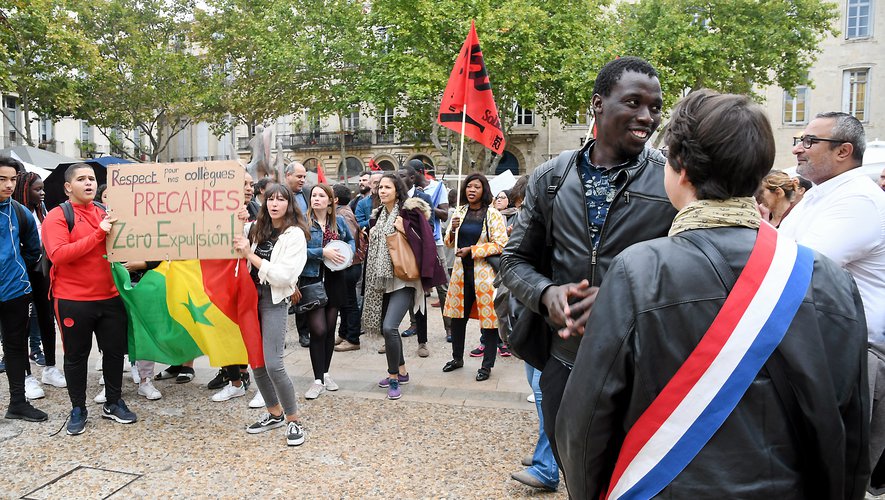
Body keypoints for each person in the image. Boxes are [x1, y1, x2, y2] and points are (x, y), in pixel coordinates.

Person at [556, 89, 870, 499]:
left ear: (680, 168)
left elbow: (586, 420)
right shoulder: (828, 277)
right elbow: (850, 425)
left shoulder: (639, 270)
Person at [502, 56, 677, 464]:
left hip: (644, 366)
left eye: (654, 107)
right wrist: (547, 294)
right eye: (633, 102)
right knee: (575, 471)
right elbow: (513, 261)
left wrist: (624, 298)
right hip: (566, 363)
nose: (647, 117)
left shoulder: (673, 179)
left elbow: (696, 271)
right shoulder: (551, 177)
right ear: (598, 103)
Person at [777, 112, 885, 491]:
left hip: (857, 356)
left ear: (843, 151)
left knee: (835, 477)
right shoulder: (820, 195)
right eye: (799, 139)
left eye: (809, 141)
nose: (796, 148)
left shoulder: (858, 200)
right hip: (824, 350)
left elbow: (796, 265)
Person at [43, 163, 136, 435]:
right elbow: (59, 255)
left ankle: (113, 402)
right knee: (76, 356)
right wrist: (99, 233)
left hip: (109, 297)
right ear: (67, 187)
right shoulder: (58, 216)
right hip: (72, 299)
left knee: (115, 353)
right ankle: (78, 408)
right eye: (81, 179)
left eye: (92, 179)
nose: (89, 183)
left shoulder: (104, 212)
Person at [234, 182, 307, 446]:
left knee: (274, 363)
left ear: (290, 204)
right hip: (249, 299)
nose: (275, 204)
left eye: (281, 200)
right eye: (270, 199)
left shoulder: (295, 235)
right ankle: (274, 413)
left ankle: (294, 420)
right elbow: (232, 235)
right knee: (257, 363)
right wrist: (237, 217)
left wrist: (251, 257)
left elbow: (285, 275)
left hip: (273, 301)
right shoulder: (257, 229)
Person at [362, 174, 444, 399]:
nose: (382, 191)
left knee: (389, 327)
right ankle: (403, 371)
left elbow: (426, 240)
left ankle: (394, 378)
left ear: (398, 190)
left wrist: (405, 229)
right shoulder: (377, 215)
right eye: (380, 187)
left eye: (388, 187)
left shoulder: (408, 212)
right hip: (382, 279)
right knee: (388, 330)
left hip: (405, 278)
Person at [442, 173, 508, 382]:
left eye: (476, 187)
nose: (471, 190)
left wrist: (473, 250)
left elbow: (501, 244)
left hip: (484, 275)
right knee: (457, 317)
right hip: (461, 275)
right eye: (469, 186)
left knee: (488, 321)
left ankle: (487, 365)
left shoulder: (493, 214)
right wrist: (452, 231)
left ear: (484, 190)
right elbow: (448, 243)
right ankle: (457, 358)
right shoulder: (459, 212)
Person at [0, 157, 48, 422]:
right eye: (2, 179)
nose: (9, 185)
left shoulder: (19, 212)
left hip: (15, 292)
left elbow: (33, 250)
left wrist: (18, 273)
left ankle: (18, 402)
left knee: (15, 347)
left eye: (13, 179)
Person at [11, 172, 67, 395]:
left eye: (43, 188)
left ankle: (50, 368)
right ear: (25, 190)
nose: (42, 192)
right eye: (37, 189)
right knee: (22, 324)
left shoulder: (43, 211)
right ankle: (26, 376)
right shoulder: (16, 213)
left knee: (46, 318)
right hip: (22, 272)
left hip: (43, 271)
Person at [301, 183, 355, 400]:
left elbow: (351, 240)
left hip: (335, 279)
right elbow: (297, 250)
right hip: (312, 279)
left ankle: (324, 374)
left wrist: (347, 252)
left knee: (330, 329)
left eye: (321, 195)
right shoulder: (303, 223)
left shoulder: (339, 222)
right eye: (313, 195)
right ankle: (316, 380)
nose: (316, 198)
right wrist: (321, 252)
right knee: (319, 330)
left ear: (331, 201)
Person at [409, 159, 452, 343]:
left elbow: (444, 214)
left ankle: (449, 327)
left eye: (412, 174)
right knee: (411, 284)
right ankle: (414, 323)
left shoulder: (438, 187)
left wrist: (425, 206)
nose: (409, 178)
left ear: (420, 172)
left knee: (442, 286)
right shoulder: (407, 190)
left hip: (435, 241)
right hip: (413, 243)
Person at [397, 164, 433, 356]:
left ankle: (423, 342)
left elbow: (429, 227)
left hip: (415, 256)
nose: (399, 179)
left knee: (420, 300)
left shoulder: (420, 200)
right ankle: (390, 339)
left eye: (402, 176)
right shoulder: (390, 203)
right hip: (396, 258)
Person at [332, 183, 364, 352]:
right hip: (348, 265)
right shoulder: (343, 212)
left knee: (350, 302)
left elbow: (350, 238)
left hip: (350, 265)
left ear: (335, 199)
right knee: (343, 301)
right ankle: (343, 334)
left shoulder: (342, 214)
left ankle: (353, 338)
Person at [285, 161, 312, 348]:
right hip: (284, 248)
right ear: (288, 176)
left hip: (305, 247)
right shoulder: (279, 194)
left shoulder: (309, 193)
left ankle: (304, 333)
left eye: (304, 177)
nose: (302, 180)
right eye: (299, 176)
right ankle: (280, 336)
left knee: (301, 292)